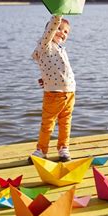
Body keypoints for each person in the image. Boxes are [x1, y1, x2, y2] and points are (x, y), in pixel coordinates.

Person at [30, 14, 75, 162]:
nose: (62, 32)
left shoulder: (60, 49)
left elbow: (56, 69)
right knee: (48, 123)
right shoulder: (46, 45)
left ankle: (63, 148)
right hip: (54, 94)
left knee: (65, 122)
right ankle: (41, 150)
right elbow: (52, 27)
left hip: (69, 92)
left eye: (66, 32)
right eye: (59, 29)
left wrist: (45, 78)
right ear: (49, 31)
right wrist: (58, 13)